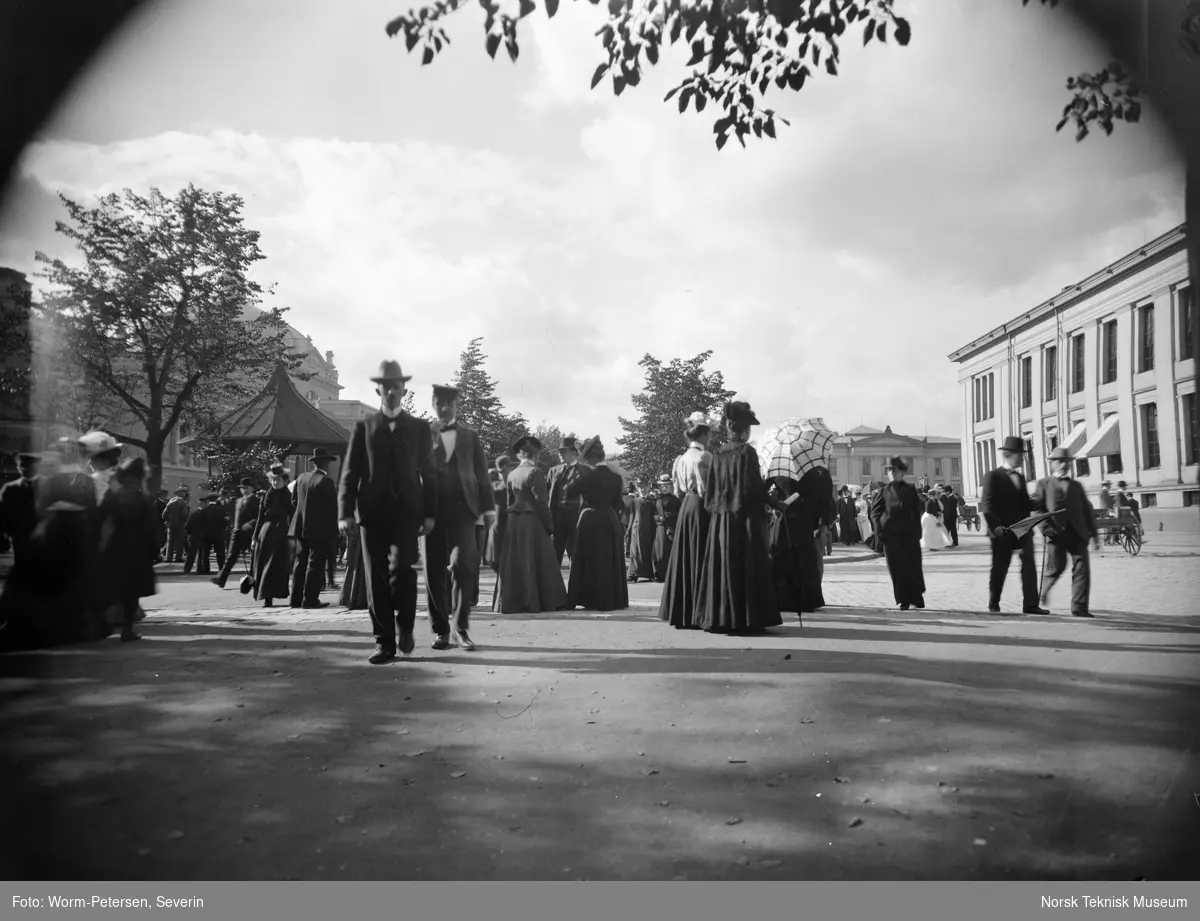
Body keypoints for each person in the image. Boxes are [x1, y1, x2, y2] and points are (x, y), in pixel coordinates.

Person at [339, 360, 438, 664]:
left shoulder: (420, 428)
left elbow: (429, 473)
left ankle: (405, 626)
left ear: (404, 389)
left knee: (403, 574)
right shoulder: (364, 427)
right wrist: (345, 512)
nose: (392, 391)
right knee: (376, 578)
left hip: (408, 514)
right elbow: (350, 471)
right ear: (378, 389)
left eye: (397, 386)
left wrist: (430, 513)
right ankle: (384, 643)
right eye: (387, 386)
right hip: (372, 514)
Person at [700, 401, 783, 634]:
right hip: (744, 519)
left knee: (724, 567)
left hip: (722, 521)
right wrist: (774, 501)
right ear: (745, 430)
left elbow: (711, 493)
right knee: (748, 566)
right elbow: (753, 489)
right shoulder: (748, 452)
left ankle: (722, 618)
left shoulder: (718, 453)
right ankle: (747, 619)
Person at [423, 383, 495, 651]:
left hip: (463, 509)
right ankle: (441, 630)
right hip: (430, 511)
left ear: (457, 406)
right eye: (439, 404)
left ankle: (460, 629)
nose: (444, 409)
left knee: (463, 566)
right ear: (433, 404)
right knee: (433, 570)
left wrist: (488, 509)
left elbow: (482, 474)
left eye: (449, 405)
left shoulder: (470, 436)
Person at [493, 435, 568, 614]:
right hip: (531, 521)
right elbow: (542, 502)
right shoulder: (535, 472)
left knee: (515, 562)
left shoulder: (512, 474)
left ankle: (513, 601)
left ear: (520, 455)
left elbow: (509, 502)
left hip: (514, 521)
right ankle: (542, 600)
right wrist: (549, 525)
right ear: (537, 455)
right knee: (538, 561)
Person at [978, 436, 1048, 615]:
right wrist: (996, 527)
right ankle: (994, 602)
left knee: (1029, 566)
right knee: (1000, 568)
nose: (1022, 458)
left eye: (1022, 454)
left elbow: (1024, 505)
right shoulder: (993, 476)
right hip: (1002, 532)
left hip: (1023, 530)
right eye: (1019, 454)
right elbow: (987, 505)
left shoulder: (1020, 477)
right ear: (1008, 454)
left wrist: (1039, 503)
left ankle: (1031, 605)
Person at [659, 412, 714, 629]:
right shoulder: (706, 457)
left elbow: (677, 490)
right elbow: (709, 489)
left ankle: (682, 610)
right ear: (703, 435)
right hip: (701, 506)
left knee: (685, 557)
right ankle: (700, 612)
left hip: (686, 508)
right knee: (701, 556)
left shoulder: (680, 459)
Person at [93, 457, 157, 643]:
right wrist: (154, 551)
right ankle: (127, 630)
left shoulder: (112, 495)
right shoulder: (143, 498)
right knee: (132, 591)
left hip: (116, 544)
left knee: (110, 587)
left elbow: (97, 518)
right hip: (138, 548)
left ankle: (97, 623)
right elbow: (150, 528)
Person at [1032, 446, 1100, 618]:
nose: (1064, 465)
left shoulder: (1076, 486)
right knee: (1056, 567)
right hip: (1055, 534)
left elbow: (1087, 510)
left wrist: (1095, 535)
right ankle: (1044, 589)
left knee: (1082, 570)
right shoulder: (1044, 484)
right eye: (1060, 462)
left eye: (1067, 462)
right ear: (1052, 464)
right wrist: (1046, 528)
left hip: (1078, 533)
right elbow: (1037, 509)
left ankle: (1079, 608)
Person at [564, 437, 629, 612]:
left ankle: (588, 597)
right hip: (609, 517)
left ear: (590, 458)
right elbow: (617, 500)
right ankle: (610, 598)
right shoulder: (615, 476)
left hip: (590, 518)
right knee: (608, 558)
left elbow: (569, 491)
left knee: (588, 559)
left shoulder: (587, 475)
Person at [868, 457, 926, 610]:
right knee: (897, 568)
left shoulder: (910, 490)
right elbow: (875, 513)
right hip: (891, 535)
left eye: (895, 470)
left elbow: (916, 511)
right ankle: (903, 599)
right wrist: (879, 532)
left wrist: (918, 532)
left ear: (902, 472)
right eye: (889, 470)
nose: (892, 473)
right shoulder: (883, 491)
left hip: (909, 535)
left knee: (913, 566)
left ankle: (916, 596)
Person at [289, 449, 339, 610]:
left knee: (300, 562)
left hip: (300, 525)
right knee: (315, 564)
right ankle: (310, 599)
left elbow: (294, 501)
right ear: (327, 463)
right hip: (319, 529)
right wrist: (334, 532)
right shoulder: (326, 481)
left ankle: (295, 599)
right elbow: (332, 510)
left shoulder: (302, 477)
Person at [252, 465, 293, 608]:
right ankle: (265, 596)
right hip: (265, 533)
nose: (276, 483)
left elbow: (292, 516)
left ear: (284, 480)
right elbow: (260, 517)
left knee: (274, 566)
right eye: (273, 480)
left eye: (279, 480)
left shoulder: (288, 496)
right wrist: (254, 537)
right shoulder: (267, 495)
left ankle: (271, 595)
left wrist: (292, 535)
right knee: (263, 565)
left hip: (281, 533)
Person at [212, 478, 260, 589]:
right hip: (237, 532)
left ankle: (253, 580)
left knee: (254, 558)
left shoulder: (256, 501)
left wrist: (250, 524)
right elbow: (234, 517)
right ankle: (221, 578)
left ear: (252, 488)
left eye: (247, 488)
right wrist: (233, 528)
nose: (245, 490)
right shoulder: (237, 501)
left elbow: (259, 517)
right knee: (231, 556)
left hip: (250, 533)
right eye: (243, 488)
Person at [546, 437, 585, 566]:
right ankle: (553, 586)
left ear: (574, 453)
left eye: (563, 451)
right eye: (559, 451)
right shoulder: (553, 471)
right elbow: (547, 494)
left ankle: (577, 586)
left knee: (577, 558)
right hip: (557, 521)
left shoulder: (585, 472)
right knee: (553, 559)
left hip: (577, 521)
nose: (559, 454)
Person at [0, 453, 41, 570]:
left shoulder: (48, 486)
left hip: (42, 534)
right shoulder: (10, 488)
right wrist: (5, 534)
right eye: (20, 466)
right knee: (21, 566)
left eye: (27, 466)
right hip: (19, 535)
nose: (23, 469)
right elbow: (2, 513)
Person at [651, 473, 681, 582]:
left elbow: (679, 513)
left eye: (666, 485)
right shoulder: (657, 500)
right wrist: (659, 518)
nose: (664, 488)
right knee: (659, 552)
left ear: (670, 486)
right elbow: (653, 514)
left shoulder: (675, 500)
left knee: (669, 551)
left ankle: (670, 574)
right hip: (660, 528)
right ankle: (659, 573)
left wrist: (671, 515)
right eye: (662, 486)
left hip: (671, 527)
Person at [627, 484, 657, 583]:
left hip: (648, 528)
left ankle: (649, 573)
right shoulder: (634, 501)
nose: (642, 489)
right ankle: (633, 574)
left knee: (647, 550)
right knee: (635, 551)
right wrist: (629, 529)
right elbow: (632, 515)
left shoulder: (652, 501)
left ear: (649, 487)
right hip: (636, 528)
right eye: (640, 487)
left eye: (644, 487)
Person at [162, 487, 189, 562]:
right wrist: (184, 522)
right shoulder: (183, 503)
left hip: (170, 525)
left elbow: (164, 515)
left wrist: (168, 520)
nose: (184, 494)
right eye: (183, 492)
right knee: (179, 542)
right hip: (180, 525)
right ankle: (178, 557)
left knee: (170, 542)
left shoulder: (170, 502)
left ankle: (168, 558)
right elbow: (185, 515)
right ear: (180, 493)